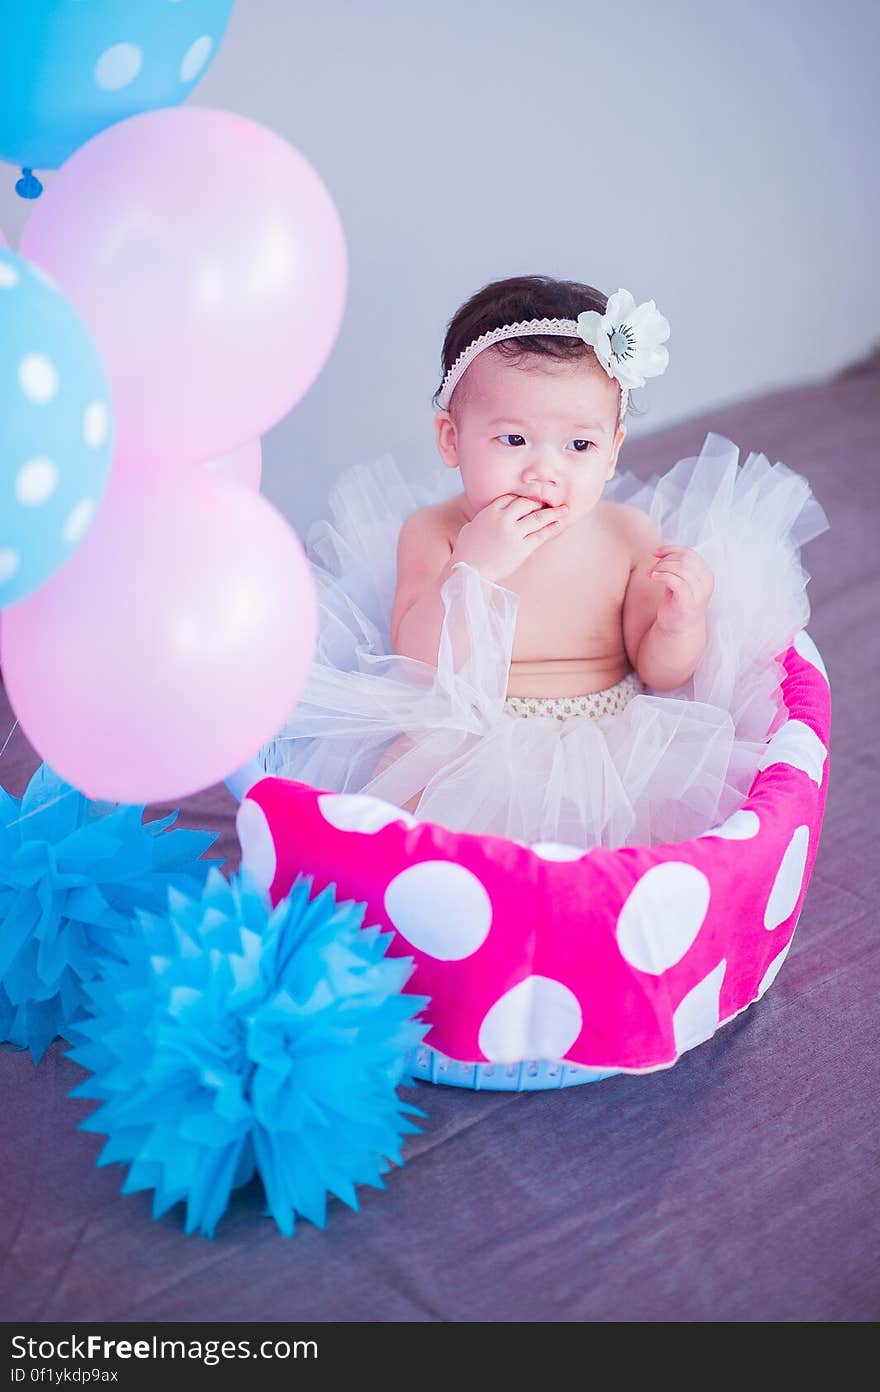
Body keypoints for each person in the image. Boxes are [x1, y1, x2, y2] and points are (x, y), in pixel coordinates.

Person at [258, 276, 828, 848]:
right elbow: (418, 662)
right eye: (513, 440)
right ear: (451, 439)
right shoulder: (438, 533)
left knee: (628, 854)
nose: (543, 471)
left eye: (578, 446)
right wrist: (473, 570)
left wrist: (681, 621)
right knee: (394, 822)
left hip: (609, 744)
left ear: (612, 451)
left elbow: (660, 671)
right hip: (465, 734)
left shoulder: (626, 534)